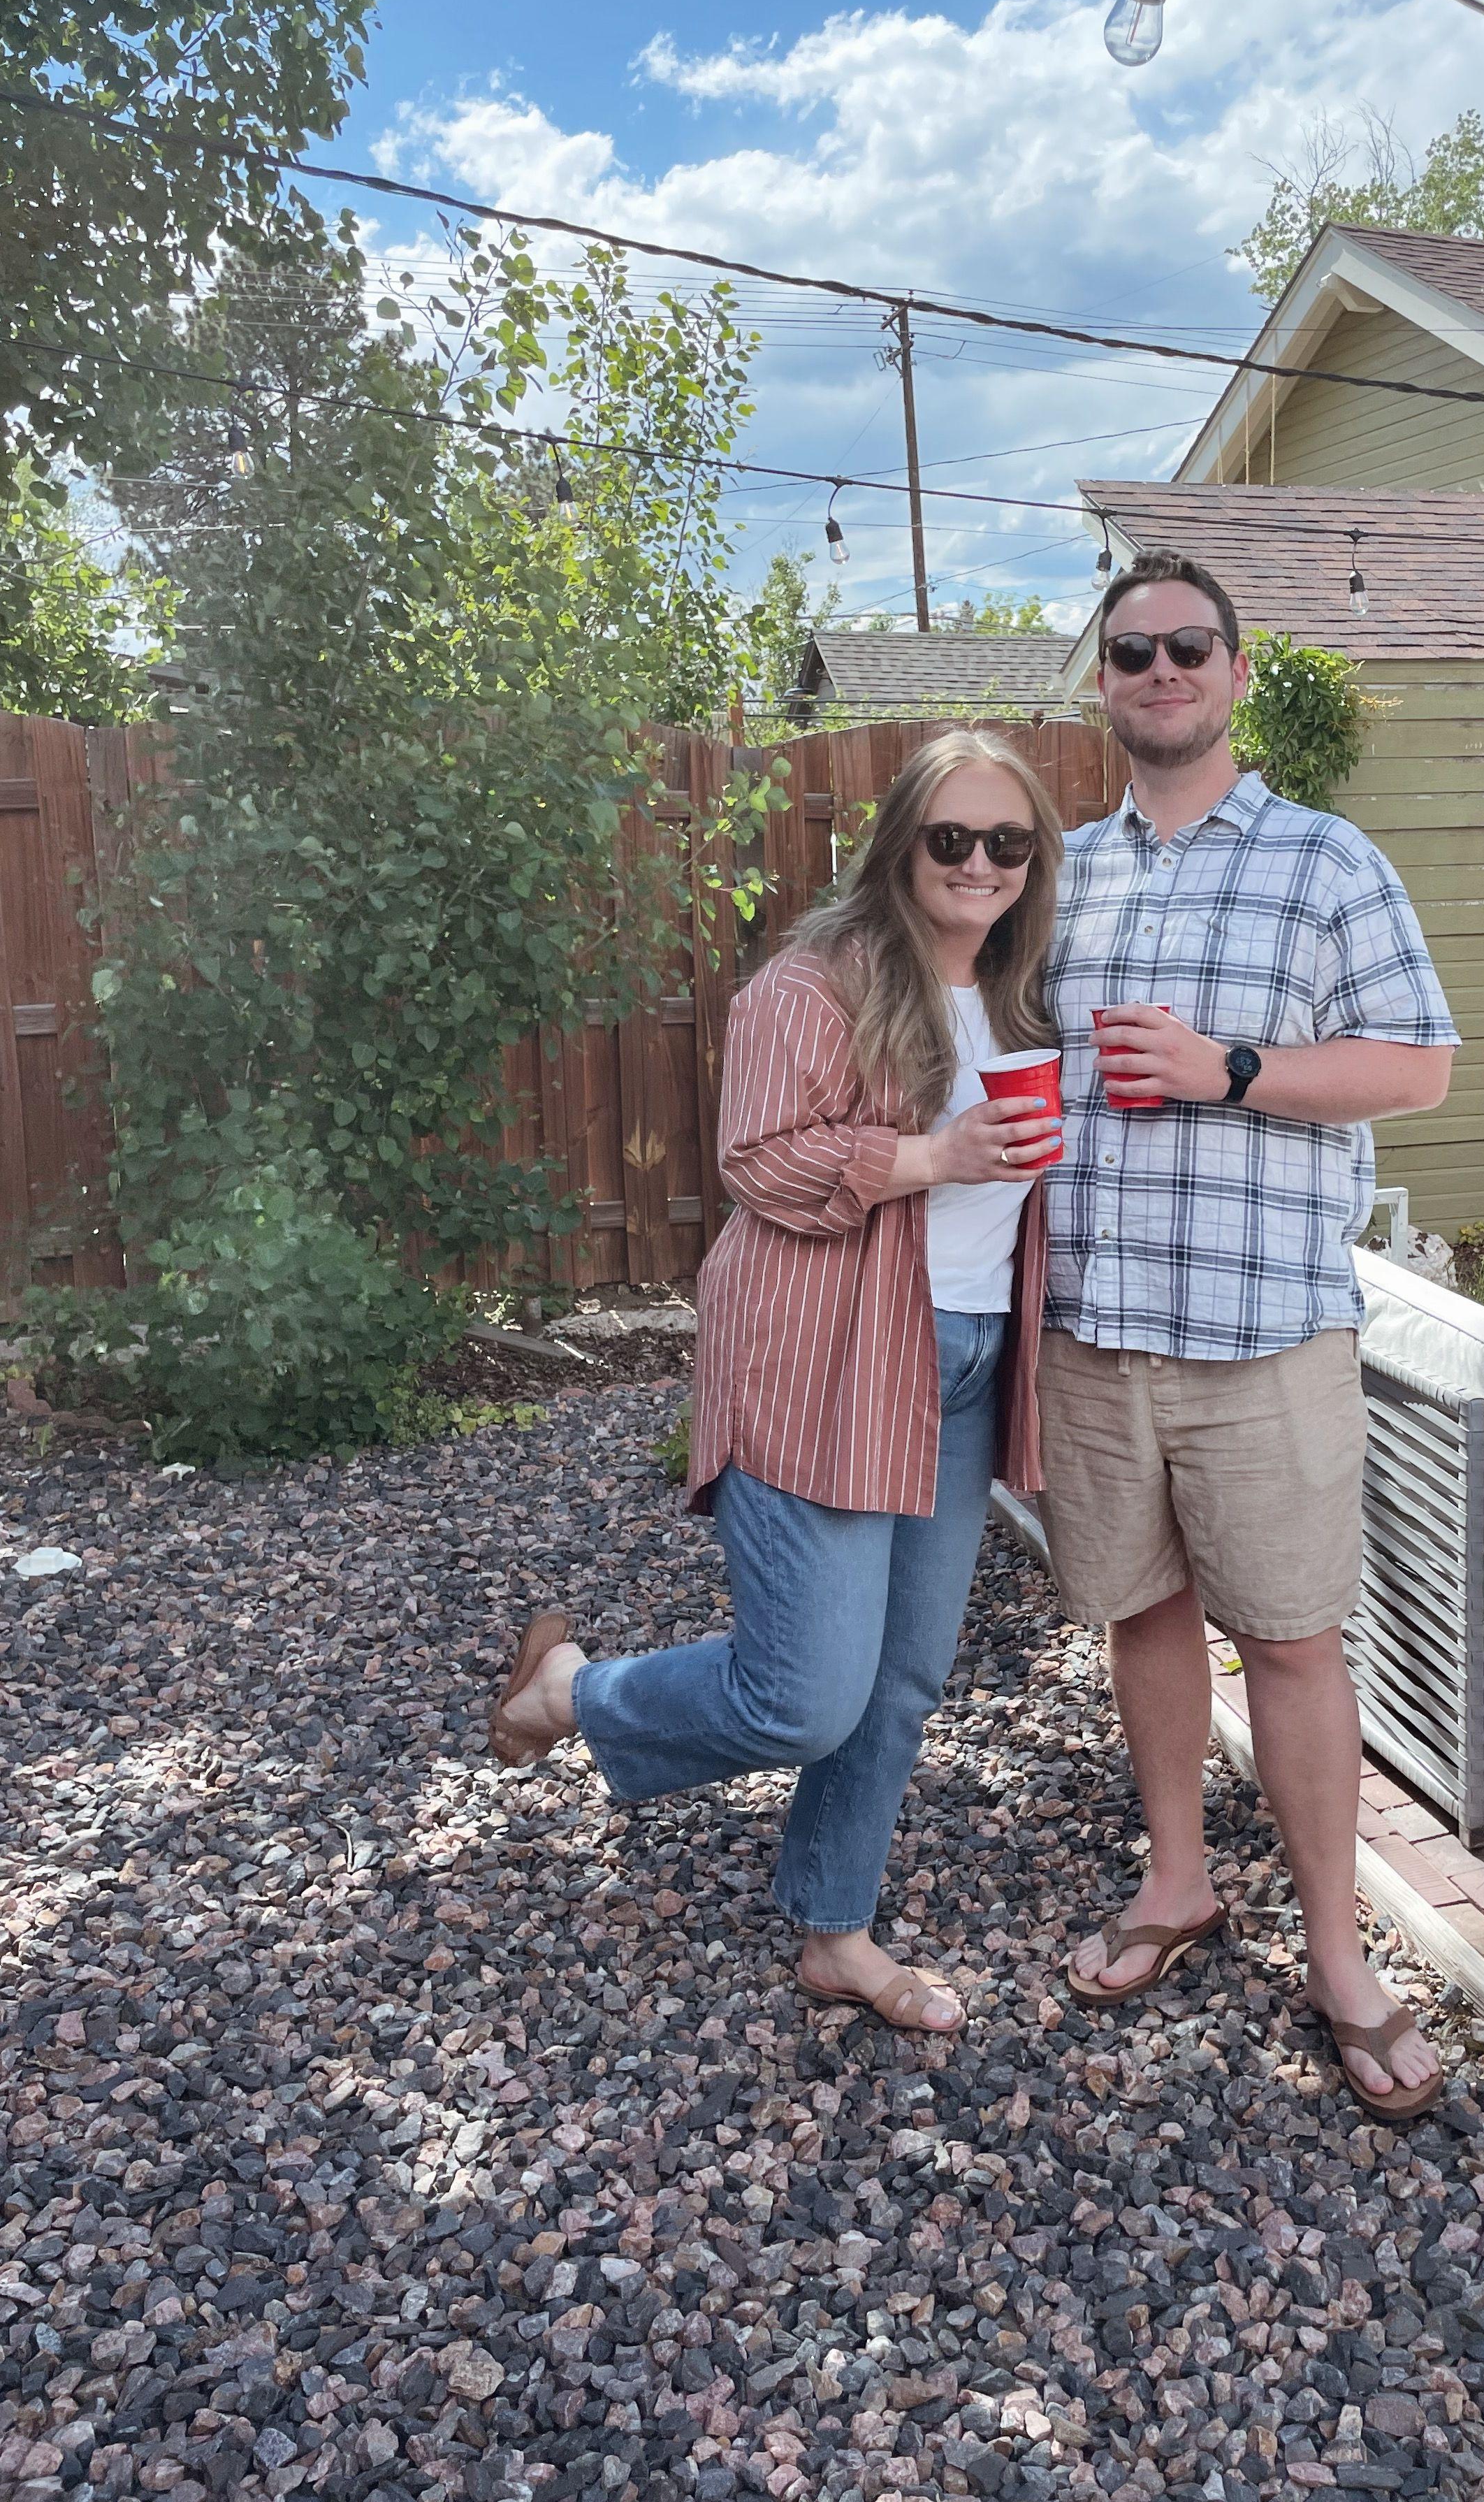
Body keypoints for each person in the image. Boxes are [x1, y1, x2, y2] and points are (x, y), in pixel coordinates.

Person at [488, 731, 1066, 2032]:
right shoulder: (813, 985)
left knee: (902, 1682)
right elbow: (759, 1162)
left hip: (971, 1357)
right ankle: (571, 1690)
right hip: (827, 1357)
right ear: (901, 844)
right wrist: (938, 1156)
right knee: (803, 1696)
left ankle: (835, 1930)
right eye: (953, 838)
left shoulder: (1028, 993)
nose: (980, 864)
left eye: (1009, 842)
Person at [1040, 549, 1461, 2117]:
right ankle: (1179, 1882)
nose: (1160, 672)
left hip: (1265, 1331)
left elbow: (1416, 1067)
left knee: (1289, 1637)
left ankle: (1338, 1952)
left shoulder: (1326, 861)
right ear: (1103, 681)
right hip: (1097, 1326)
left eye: (1188, 647)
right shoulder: (1062, 874)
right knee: (1141, 1614)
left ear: (1234, 669)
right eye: (1132, 652)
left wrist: (1228, 1068)